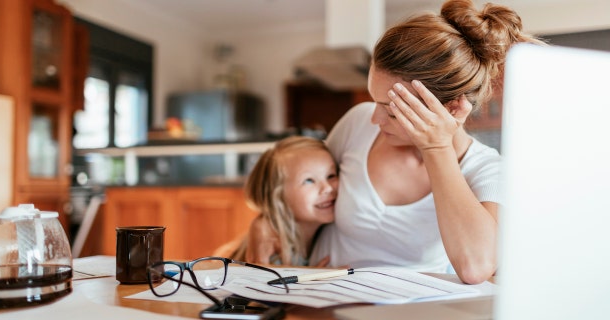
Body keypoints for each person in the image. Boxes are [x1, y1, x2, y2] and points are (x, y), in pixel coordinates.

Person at [299, 0, 544, 284]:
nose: (375, 118)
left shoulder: (489, 170)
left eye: (392, 110)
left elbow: (476, 267)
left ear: (452, 109)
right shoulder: (358, 123)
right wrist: (264, 223)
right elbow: (300, 185)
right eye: (374, 101)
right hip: (319, 296)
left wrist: (436, 147)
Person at [225, 135, 339, 266]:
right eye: (309, 180)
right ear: (277, 195)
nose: (327, 188)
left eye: (331, 175)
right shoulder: (275, 251)